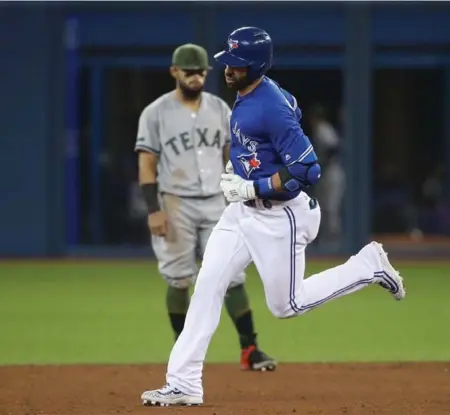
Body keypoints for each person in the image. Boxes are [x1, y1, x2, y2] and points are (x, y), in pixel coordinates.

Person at [140, 27, 406, 407]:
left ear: (257, 66)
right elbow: (267, 136)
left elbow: (308, 170)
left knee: (286, 306)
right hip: (240, 215)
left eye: (237, 64)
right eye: (227, 61)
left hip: (280, 216)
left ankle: (367, 265)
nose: (228, 69)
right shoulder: (254, 94)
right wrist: (238, 176)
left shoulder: (270, 106)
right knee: (208, 285)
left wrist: (252, 186)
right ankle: (184, 382)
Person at [135, 43, 277, 372]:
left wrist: (244, 196)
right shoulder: (154, 113)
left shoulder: (220, 109)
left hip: (218, 200)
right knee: (179, 278)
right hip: (174, 203)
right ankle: (182, 354)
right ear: (174, 72)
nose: (196, 77)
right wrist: (152, 209)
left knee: (233, 275)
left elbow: (235, 155)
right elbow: (146, 164)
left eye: (201, 72)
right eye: (189, 72)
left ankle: (250, 349)